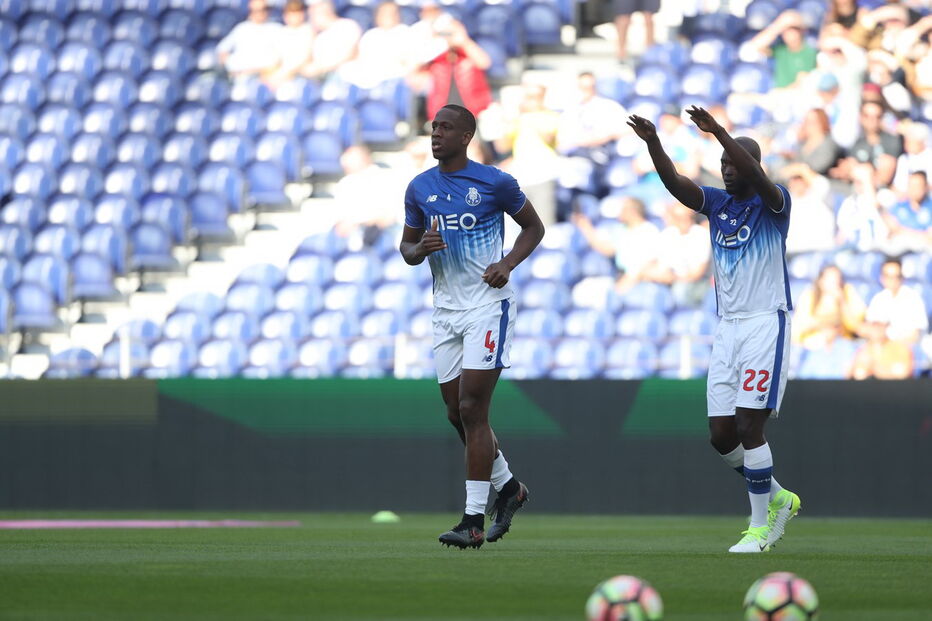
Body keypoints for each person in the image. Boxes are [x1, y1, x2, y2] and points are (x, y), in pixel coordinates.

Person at [628, 106, 800, 553]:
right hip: (728, 328)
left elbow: (752, 172)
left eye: (732, 164)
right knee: (721, 436)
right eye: (721, 164)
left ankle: (760, 527)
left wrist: (719, 132)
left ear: (753, 167)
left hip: (766, 323)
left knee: (748, 426)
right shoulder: (718, 205)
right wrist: (653, 144)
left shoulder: (773, 202)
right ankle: (778, 495)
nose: (725, 170)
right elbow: (676, 185)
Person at [399, 104, 545, 549]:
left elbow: (533, 228)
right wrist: (419, 248)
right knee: (454, 411)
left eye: (445, 127)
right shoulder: (419, 188)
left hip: (487, 305)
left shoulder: (495, 182)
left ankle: (472, 520)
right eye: (433, 128)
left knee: (471, 408)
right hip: (445, 311)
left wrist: (507, 263)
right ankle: (510, 488)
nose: (436, 133)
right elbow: (405, 248)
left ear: (467, 136)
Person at [793, 264, 866, 350]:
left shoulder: (847, 291)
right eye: (830, 279)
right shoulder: (810, 296)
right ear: (821, 282)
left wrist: (842, 301)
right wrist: (824, 326)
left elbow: (856, 324)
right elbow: (797, 329)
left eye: (838, 278)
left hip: (843, 342)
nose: (835, 282)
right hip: (814, 343)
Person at [863, 258, 929, 346]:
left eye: (896, 276)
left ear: (902, 278)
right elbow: (869, 328)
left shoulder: (913, 298)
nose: (892, 280)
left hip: (906, 348)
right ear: (881, 278)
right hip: (882, 347)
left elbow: (915, 336)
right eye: (888, 276)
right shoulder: (879, 299)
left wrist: (891, 343)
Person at [215, 0, 283, 80]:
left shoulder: (277, 29)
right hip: (240, 76)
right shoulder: (241, 28)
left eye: (263, 9)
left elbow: (281, 58)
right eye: (255, 10)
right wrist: (230, 64)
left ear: (268, 10)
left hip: (266, 77)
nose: (259, 13)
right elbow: (222, 49)